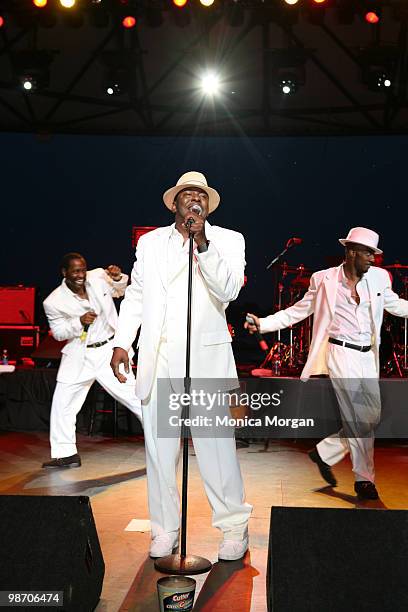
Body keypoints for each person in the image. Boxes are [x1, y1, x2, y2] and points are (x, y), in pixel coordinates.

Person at [111, 171, 252, 560]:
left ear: (207, 206)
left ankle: (233, 528)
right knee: (160, 453)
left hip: (206, 359)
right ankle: (164, 528)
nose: (195, 201)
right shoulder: (150, 242)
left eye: (201, 197)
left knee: (216, 450)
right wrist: (123, 341)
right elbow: (137, 294)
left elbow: (228, 290)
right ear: (173, 203)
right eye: (187, 195)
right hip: (158, 360)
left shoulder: (228, 240)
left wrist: (202, 242)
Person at [245, 227, 408, 500]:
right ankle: (364, 480)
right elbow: (298, 311)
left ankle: (324, 452)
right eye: (368, 253)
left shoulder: (379, 278)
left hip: (368, 356)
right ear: (352, 251)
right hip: (340, 354)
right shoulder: (323, 280)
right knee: (358, 418)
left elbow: (396, 305)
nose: (373, 259)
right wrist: (263, 324)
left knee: (369, 418)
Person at [42, 253, 141, 468]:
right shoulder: (53, 301)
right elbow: (58, 333)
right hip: (80, 355)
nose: (80, 275)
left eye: (82, 270)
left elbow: (122, 289)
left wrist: (116, 277)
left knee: (136, 397)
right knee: (63, 405)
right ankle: (65, 454)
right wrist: (78, 322)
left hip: (109, 351)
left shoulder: (97, 277)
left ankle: (163, 442)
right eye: (75, 271)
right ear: (64, 273)